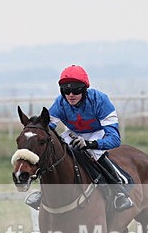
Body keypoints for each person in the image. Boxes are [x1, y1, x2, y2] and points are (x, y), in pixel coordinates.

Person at [25, 65, 133, 212]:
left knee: (90, 153)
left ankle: (119, 190)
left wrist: (90, 144)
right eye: (65, 90)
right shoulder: (60, 103)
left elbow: (114, 139)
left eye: (75, 90)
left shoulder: (100, 100)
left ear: (84, 89)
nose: (70, 94)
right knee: (55, 149)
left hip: (98, 132)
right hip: (74, 132)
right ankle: (44, 191)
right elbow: (46, 127)